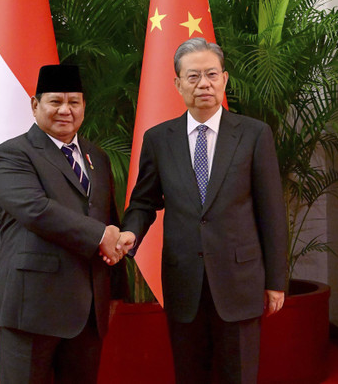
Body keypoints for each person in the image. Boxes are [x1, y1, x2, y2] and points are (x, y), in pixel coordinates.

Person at [122, 38, 288, 383]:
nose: (204, 84)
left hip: (240, 280)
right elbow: (143, 201)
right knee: (190, 374)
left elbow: (271, 212)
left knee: (238, 374)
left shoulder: (254, 135)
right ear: (178, 83)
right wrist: (129, 233)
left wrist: (275, 281)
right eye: (193, 76)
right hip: (184, 280)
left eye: (211, 74)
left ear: (225, 79)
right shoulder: (158, 139)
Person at [0, 64, 134, 383]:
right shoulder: (12, 154)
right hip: (32, 309)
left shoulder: (98, 157)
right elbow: (37, 210)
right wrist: (100, 236)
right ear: (35, 105)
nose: (65, 110)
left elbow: (108, 219)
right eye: (55, 101)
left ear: (83, 106)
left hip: (88, 311)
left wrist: (115, 291)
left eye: (74, 102)